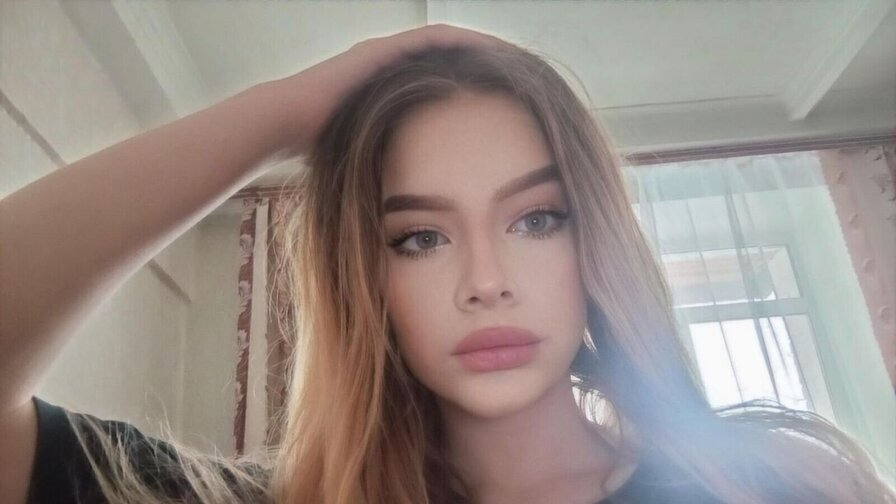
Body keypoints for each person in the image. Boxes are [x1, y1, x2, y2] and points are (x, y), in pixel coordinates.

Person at [0, 23, 893, 504]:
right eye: (419, 238)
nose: (486, 280)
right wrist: (285, 113)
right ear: (362, 278)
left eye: (538, 219)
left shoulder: (768, 483)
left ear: (595, 241)